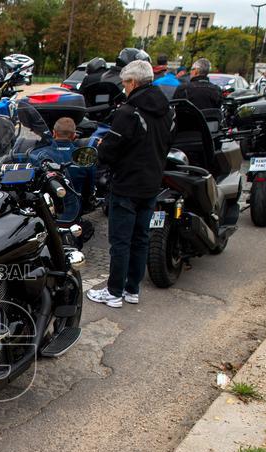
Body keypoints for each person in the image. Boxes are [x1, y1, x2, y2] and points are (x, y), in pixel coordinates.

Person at [87, 60, 172, 309]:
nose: (123, 88)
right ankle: (132, 289)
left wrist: (103, 150)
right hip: (152, 181)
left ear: (133, 83)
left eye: (125, 83)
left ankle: (114, 292)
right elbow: (167, 142)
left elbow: (111, 150)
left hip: (127, 184)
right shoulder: (167, 109)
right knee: (141, 237)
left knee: (121, 241)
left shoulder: (128, 112)